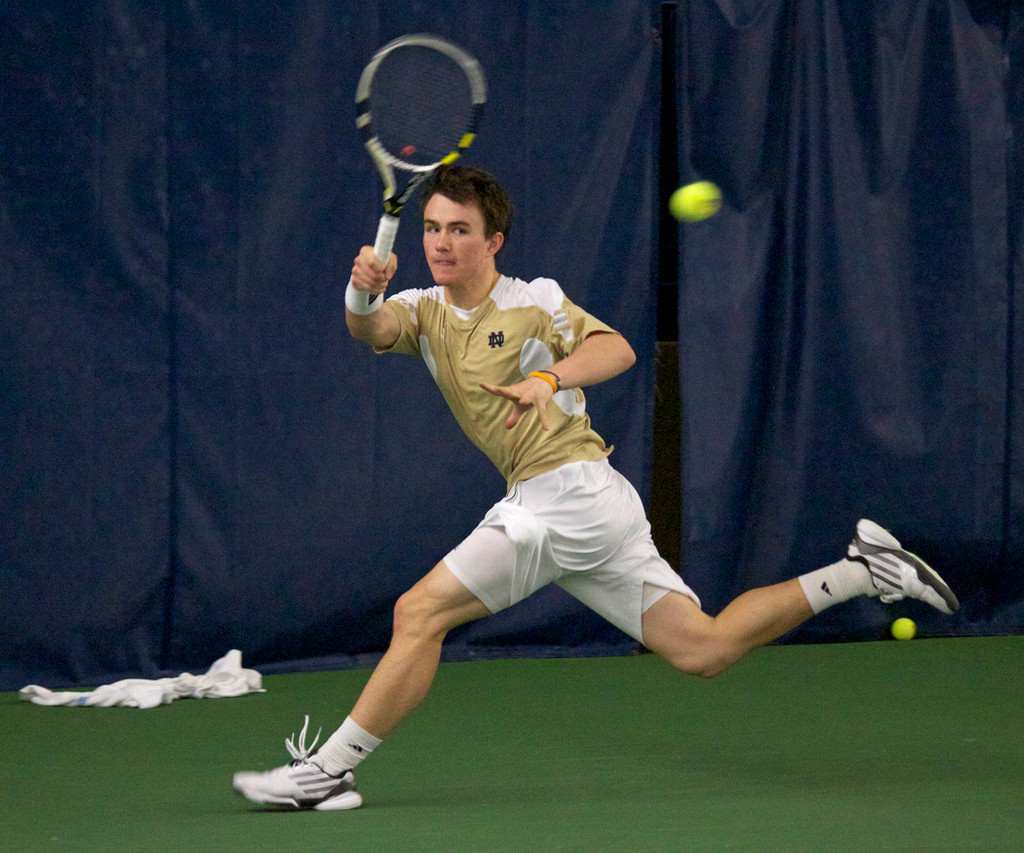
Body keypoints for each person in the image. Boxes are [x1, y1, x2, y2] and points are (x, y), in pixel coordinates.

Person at [232, 165, 959, 811]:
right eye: (430, 228)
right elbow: (369, 330)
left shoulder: (532, 301)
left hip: (566, 493)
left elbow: (615, 346)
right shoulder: (423, 310)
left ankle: (329, 771)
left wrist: (547, 377)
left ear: (495, 242)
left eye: (459, 229)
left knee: (419, 611)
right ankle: (862, 568)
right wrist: (361, 293)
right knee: (701, 649)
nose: (441, 242)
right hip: (589, 505)